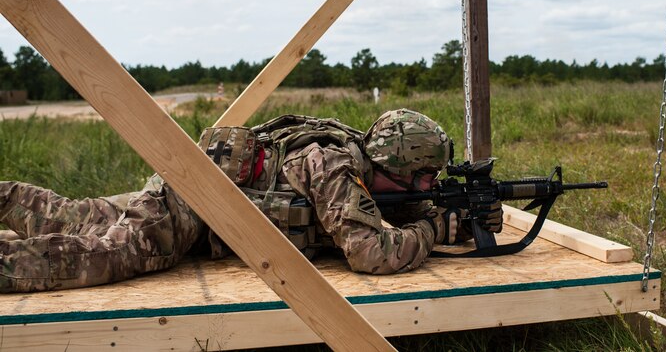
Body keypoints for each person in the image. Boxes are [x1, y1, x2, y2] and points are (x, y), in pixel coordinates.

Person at [0, 109, 501, 293]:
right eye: (423, 178)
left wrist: (461, 210)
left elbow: (396, 209)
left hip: (190, 194)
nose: (425, 188)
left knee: (73, 215)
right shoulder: (334, 167)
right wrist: (439, 231)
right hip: (192, 205)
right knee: (103, 258)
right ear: (396, 166)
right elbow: (370, 253)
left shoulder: (369, 170)